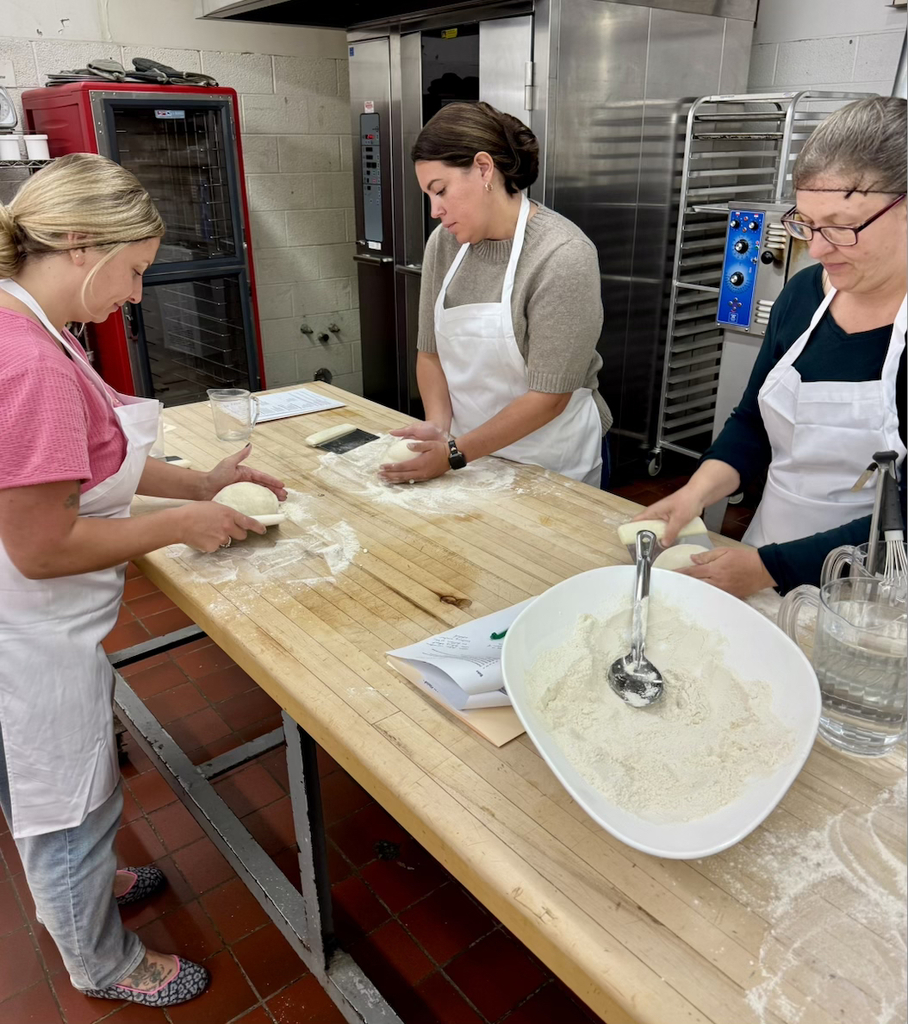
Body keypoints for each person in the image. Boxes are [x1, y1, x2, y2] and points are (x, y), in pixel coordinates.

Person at [0, 154, 286, 1007]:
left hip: (33, 620)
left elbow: (93, 460)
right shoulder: (30, 364)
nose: (134, 295)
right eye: (133, 271)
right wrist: (180, 527)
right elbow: (42, 546)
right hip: (27, 632)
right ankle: (100, 960)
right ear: (80, 245)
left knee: (48, 794)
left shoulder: (31, 324)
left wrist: (200, 484)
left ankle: (80, 886)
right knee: (68, 800)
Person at [636, 96, 906, 598]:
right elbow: (753, 421)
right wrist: (695, 493)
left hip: (874, 597)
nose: (817, 248)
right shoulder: (803, 295)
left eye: (841, 227)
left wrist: (770, 568)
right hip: (763, 553)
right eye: (806, 223)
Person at [380, 101, 612, 489]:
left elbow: (550, 397)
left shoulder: (563, 255)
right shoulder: (444, 244)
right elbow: (430, 353)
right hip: (469, 459)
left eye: (441, 191)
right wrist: (438, 426)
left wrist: (454, 454)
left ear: (484, 169)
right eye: (429, 196)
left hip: (552, 461)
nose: (435, 210)